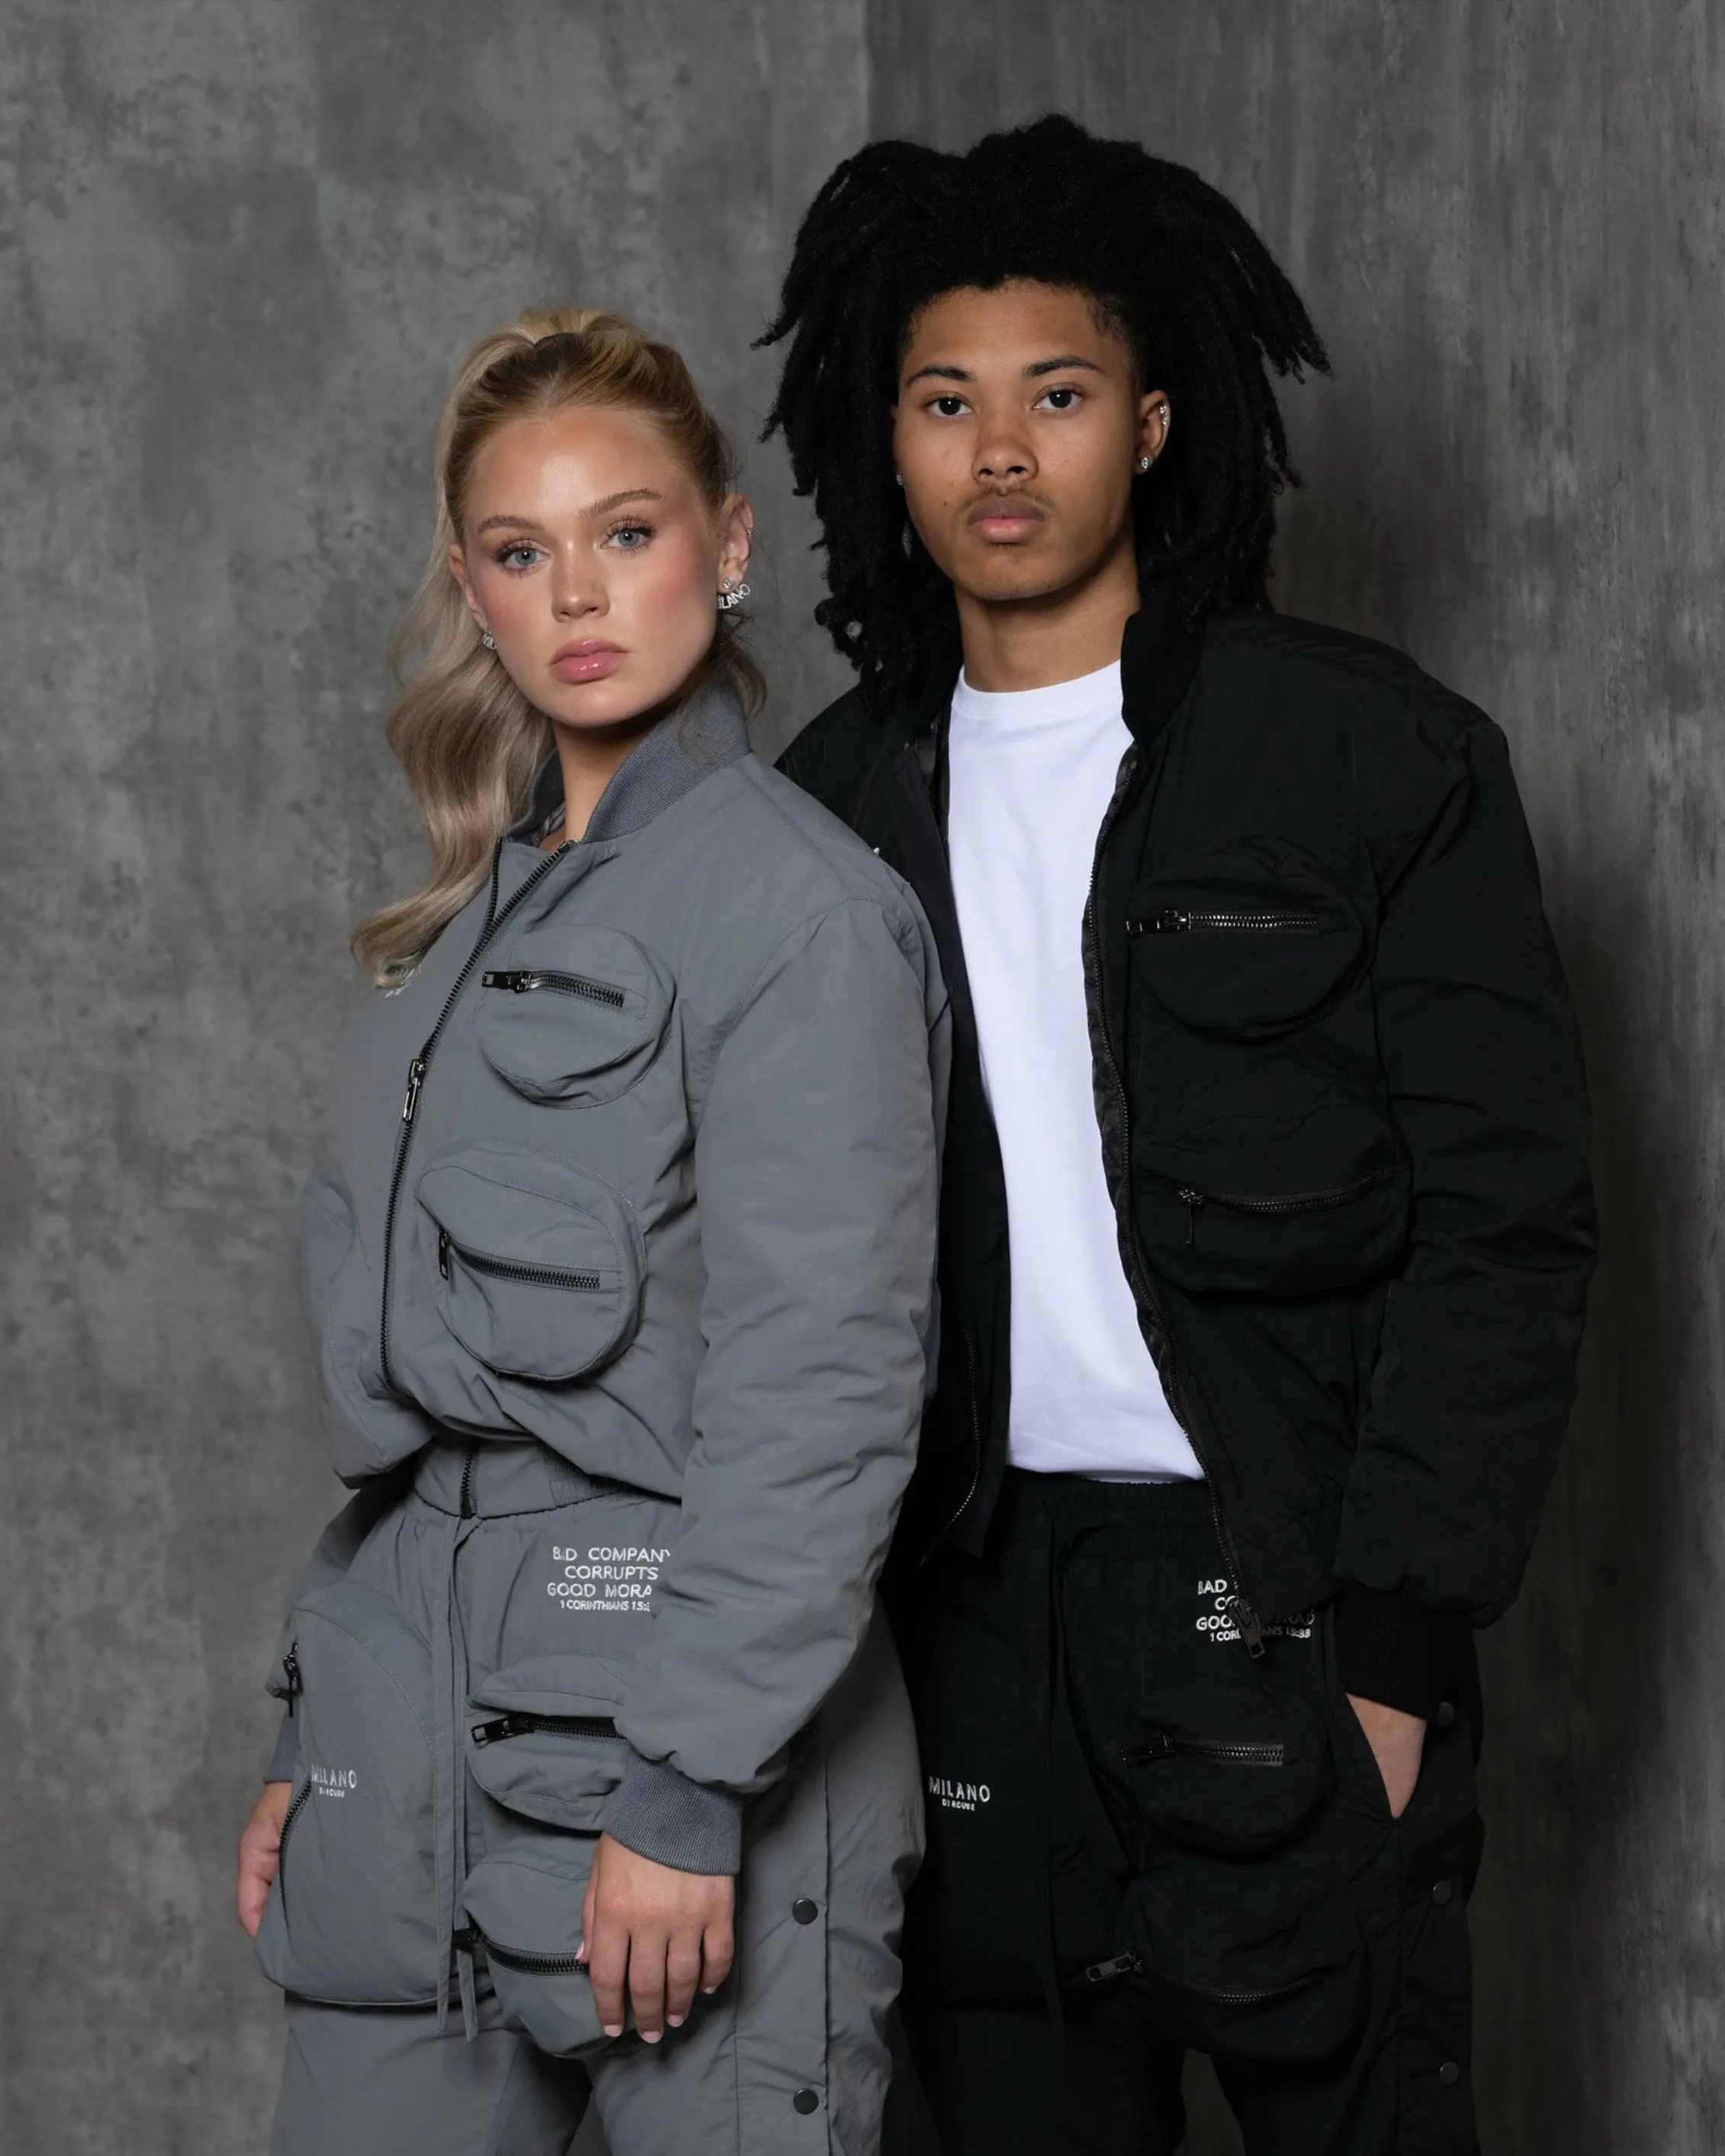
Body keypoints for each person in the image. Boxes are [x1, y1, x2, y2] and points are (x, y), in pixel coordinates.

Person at [763, 115, 1596, 2156]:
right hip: (960, 1621)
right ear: (886, 442)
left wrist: (1392, 1647)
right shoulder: (827, 803)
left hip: (1279, 1592)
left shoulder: (1366, 753)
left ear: (1148, 425)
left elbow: (1504, 1222)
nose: (998, 451)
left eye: (1054, 396)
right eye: (944, 401)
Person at [234, 306, 948, 2156]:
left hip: (681, 1748)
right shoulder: (454, 932)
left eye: (626, 532)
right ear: (472, 592)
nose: (577, 593)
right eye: (519, 549)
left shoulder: (801, 913)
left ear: (727, 541)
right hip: (410, 1757)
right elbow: (415, 1426)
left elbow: (823, 1389)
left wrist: (691, 1788)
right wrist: (328, 1740)